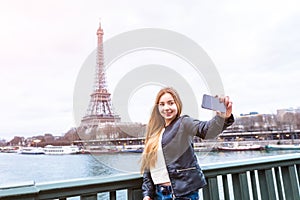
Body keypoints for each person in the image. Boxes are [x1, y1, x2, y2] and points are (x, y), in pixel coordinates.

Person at [140, 87, 234, 200]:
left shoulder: (184, 122)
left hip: (183, 194)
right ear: (157, 108)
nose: (166, 108)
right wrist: (147, 194)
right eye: (162, 104)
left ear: (177, 104)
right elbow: (148, 168)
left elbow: (205, 129)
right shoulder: (154, 134)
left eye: (170, 103)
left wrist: (222, 118)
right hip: (159, 194)